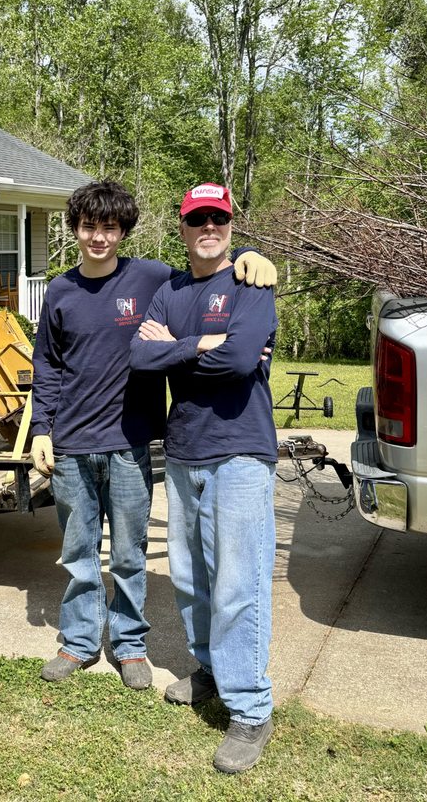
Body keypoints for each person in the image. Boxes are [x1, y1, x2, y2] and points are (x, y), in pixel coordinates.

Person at [30, 180, 276, 692]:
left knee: (127, 552)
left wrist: (253, 255)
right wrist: (41, 430)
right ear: (74, 230)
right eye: (89, 226)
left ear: (123, 232)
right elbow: (48, 365)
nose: (99, 237)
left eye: (110, 227)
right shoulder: (59, 290)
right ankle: (77, 642)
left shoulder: (152, 279)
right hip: (72, 442)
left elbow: (211, 270)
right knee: (78, 552)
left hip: (131, 439)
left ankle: (130, 644)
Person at [129, 182, 278, 774]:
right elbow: (140, 358)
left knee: (239, 581)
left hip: (240, 450)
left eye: (218, 218)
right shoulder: (169, 290)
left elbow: (243, 360)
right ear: (184, 227)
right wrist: (205, 343)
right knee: (191, 577)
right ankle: (211, 672)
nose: (208, 228)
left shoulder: (252, 284)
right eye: (198, 220)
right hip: (185, 449)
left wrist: (179, 348)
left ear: (231, 225)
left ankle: (251, 708)